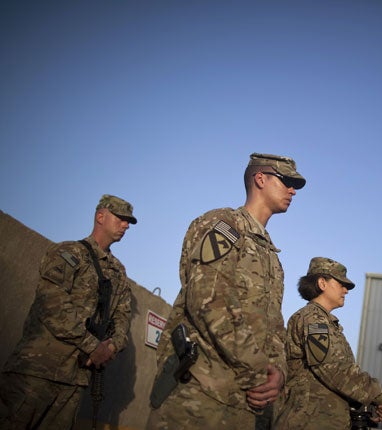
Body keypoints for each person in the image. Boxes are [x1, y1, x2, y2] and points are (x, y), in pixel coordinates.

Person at [148, 153, 306, 429]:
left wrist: (278, 372)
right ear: (260, 179)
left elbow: (274, 327)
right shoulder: (224, 226)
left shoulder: (271, 256)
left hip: (243, 405)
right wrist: (258, 371)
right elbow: (208, 300)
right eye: (287, 181)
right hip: (199, 398)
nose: (292, 190)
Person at [0, 194, 136, 430]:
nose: (125, 225)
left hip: (76, 379)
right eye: (121, 218)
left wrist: (111, 347)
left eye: (128, 222)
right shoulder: (69, 252)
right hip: (37, 371)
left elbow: (122, 319)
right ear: (100, 216)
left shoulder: (119, 273)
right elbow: (52, 303)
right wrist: (92, 345)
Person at [275, 257, 382, 430]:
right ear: (322, 283)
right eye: (341, 284)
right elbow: (333, 369)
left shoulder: (325, 322)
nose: (346, 290)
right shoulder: (312, 319)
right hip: (308, 422)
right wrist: (380, 395)